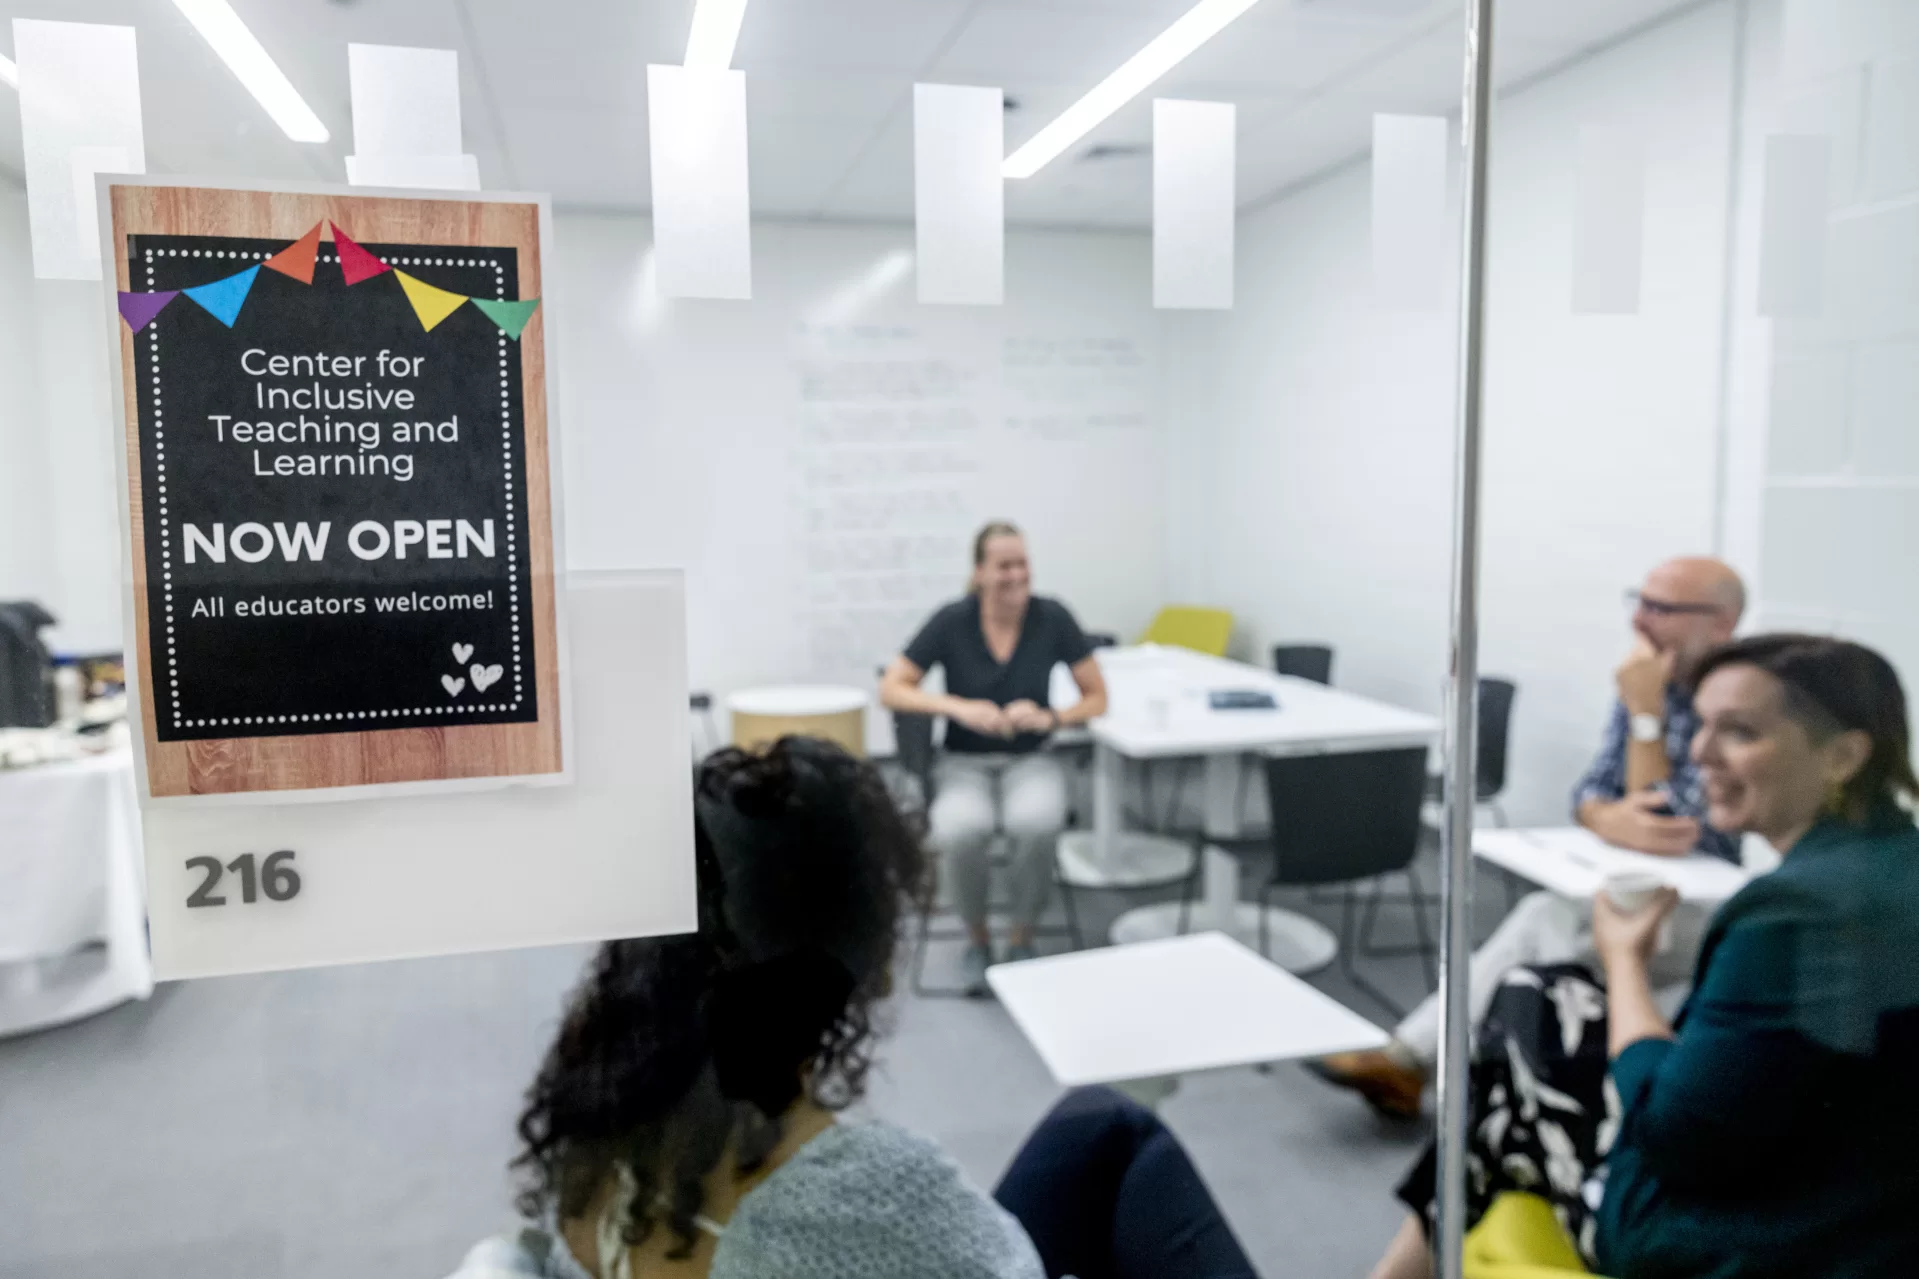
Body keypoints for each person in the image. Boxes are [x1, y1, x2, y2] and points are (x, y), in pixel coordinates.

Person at [448, 737, 1257, 1279]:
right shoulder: (881, 1199)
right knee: (1125, 1134)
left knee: (1103, 1121)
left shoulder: (598, 1098)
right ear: (860, 964)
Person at [1368, 634, 1919, 1279]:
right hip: (1859, 1207)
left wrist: (1625, 960)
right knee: (1536, 999)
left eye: (1738, 732)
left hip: (1742, 1240)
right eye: (1703, 725)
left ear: (1843, 756)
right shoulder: (1890, 864)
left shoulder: (1793, 913)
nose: (1700, 752)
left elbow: (1676, 1139)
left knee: (1518, 1034)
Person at [1312, 556, 1745, 1117]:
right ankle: (1495, 1089)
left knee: (1552, 928)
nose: (1639, 621)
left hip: (1708, 905)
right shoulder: (1644, 677)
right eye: (1638, 600)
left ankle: (1480, 1086)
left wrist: (1645, 715)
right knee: (1552, 929)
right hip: (1629, 882)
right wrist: (1606, 816)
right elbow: (1591, 792)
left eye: (1662, 608)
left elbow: (1666, 819)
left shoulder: (1725, 699)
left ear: (1722, 624)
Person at [880, 521, 1109, 995]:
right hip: (963, 763)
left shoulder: (1052, 618)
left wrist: (1050, 717)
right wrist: (958, 707)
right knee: (959, 830)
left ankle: (1022, 937)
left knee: (1038, 824)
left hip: (1032, 761)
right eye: (1004, 565)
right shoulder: (952, 620)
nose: (1016, 575)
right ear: (980, 572)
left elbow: (1097, 698)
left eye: (1022, 563)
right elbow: (893, 687)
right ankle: (978, 940)